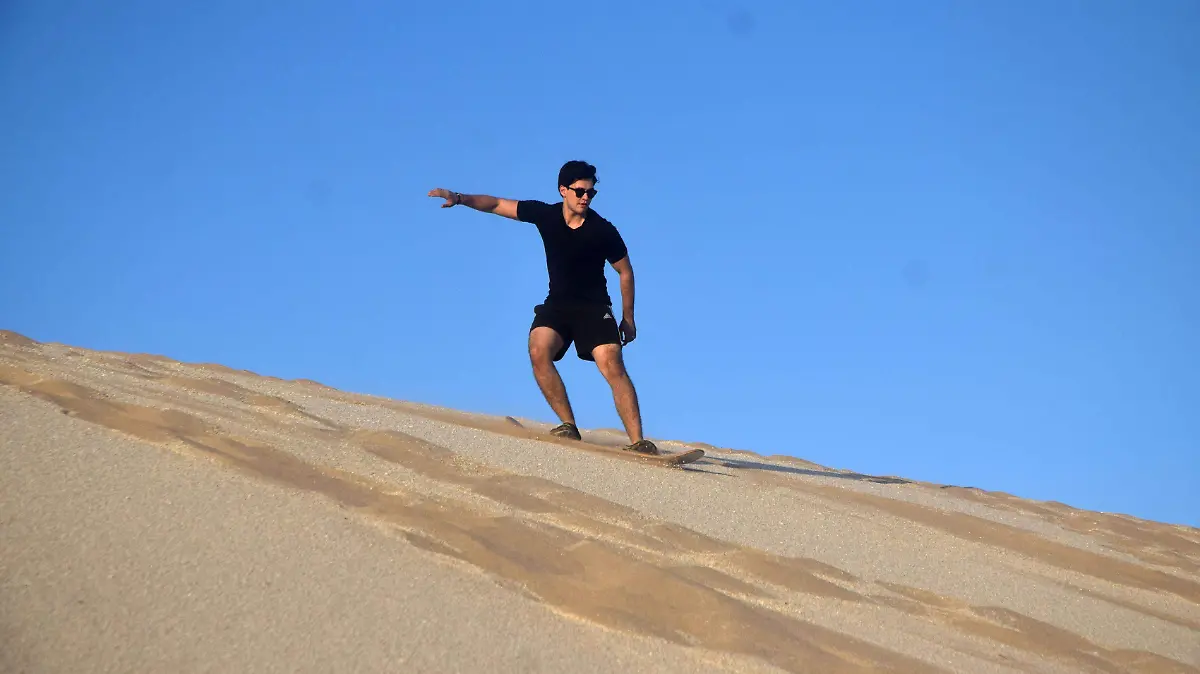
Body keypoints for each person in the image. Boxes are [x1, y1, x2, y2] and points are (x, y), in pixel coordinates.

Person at [427, 160, 659, 455]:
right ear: (563, 190)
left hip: (594, 308)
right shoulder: (546, 215)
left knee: (612, 363)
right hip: (558, 306)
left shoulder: (603, 230)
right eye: (580, 191)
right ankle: (568, 426)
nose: (586, 197)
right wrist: (460, 198)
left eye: (591, 192)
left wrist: (628, 318)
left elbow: (625, 272)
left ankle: (639, 443)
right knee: (538, 350)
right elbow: (497, 204)